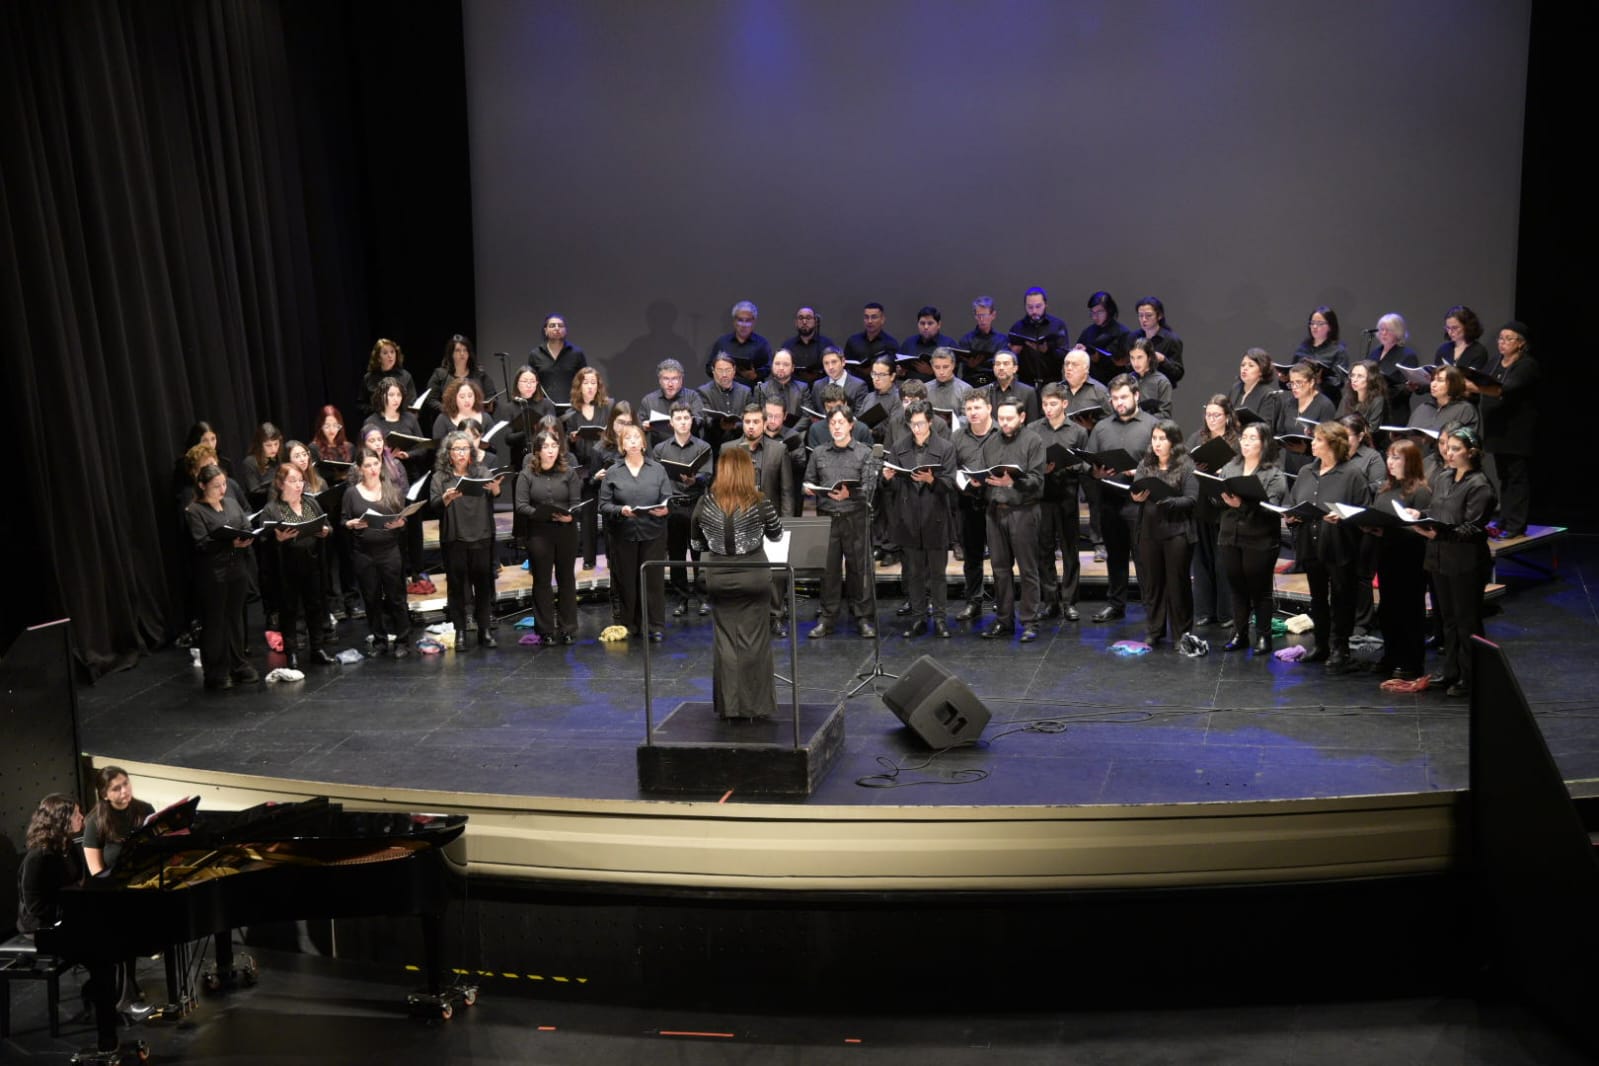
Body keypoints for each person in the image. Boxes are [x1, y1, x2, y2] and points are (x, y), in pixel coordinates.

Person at [690, 447, 785, 719]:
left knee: (726, 641)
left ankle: (730, 708)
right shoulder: (760, 500)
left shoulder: (704, 503)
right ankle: (756, 707)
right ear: (746, 471)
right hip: (754, 576)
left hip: (718, 577)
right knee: (755, 641)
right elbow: (777, 535)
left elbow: (696, 543)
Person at [1412, 426, 1497, 698]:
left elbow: (1473, 527)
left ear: (1471, 452)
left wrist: (1440, 531)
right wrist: (1420, 514)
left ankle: (1472, 676)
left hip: (1465, 561)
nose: (1448, 453)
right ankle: (1450, 670)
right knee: (1446, 620)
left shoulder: (1480, 485)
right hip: (1439, 557)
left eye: (1455, 448)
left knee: (1466, 620)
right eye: (1447, 447)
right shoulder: (1445, 476)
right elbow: (1439, 511)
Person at [1285, 422, 1370, 672]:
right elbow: (1294, 503)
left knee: (1342, 598)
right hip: (1312, 545)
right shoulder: (1305, 472)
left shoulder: (1352, 474)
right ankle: (1321, 645)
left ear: (1333, 444)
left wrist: (1344, 517)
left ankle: (1339, 648)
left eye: (1318, 440)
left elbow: (1363, 513)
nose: (1312, 443)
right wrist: (1292, 516)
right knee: (1318, 598)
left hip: (1340, 546)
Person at [883, 401, 957, 638]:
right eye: (912, 424)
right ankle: (918, 618)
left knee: (937, 574)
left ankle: (940, 619)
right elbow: (893, 487)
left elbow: (950, 483)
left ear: (930, 422)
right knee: (914, 573)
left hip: (935, 517)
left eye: (921, 424)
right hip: (908, 518)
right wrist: (886, 478)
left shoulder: (945, 447)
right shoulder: (898, 447)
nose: (916, 428)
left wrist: (931, 480)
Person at [804, 407, 879, 638]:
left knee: (859, 570)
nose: (836, 426)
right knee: (829, 572)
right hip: (827, 518)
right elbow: (808, 480)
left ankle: (863, 618)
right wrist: (808, 488)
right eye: (832, 423)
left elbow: (870, 488)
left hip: (855, 517)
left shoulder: (864, 452)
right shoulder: (819, 453)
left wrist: (851, 494)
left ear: (850, 425)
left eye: (840, 422)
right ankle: (827, 619)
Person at [1087, 375, 1158, 621]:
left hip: (1140, 500)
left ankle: (1152, 605)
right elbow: (1090, 461)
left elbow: (1162, 464)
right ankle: (1116, 604)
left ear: (1136, 396)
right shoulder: (1102, 427)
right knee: (1115, 556)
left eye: (1124, 397)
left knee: (1144, 558)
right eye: (1115, 398)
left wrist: (1136, 471)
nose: (1119, 402)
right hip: (1110, 499)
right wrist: (1095, 471)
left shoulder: (1152, 425)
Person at [184, 463, 259, 689]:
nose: (222, 489)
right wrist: (229, 542)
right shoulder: (194, 511)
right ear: (202, 486)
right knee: (215, 622)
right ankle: (216, 671)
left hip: (237, 570)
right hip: (213, 574)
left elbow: (245, 524)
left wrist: (246, 537)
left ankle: (239, 665)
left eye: (224, 484)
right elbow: (201, 543)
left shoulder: (232, 503)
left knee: (235, 619)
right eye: (216, 486)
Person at [1216, 423, 1288, 653]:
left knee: (1260, 589)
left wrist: (1244, 504)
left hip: (1260, 538)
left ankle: (1264, 636)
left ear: (1263, 443)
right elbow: (1220, 498)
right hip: (1230, 535)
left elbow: (1273, 507)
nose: (1245, 442)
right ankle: (1240, 634)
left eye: (1252, 438)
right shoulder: (1231, 466)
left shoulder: (1273, 473)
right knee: (1237, 587)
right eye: (1244, 437)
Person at [979, 398, 1047, 641]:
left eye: (1009, 418)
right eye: (1002, 418)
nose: (1005, 423)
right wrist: (976, 482)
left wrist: (1014, 481)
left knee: (1028, 569)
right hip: (995, 510)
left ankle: (1030, 622)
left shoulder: (1033, 441)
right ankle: (1004, 620)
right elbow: (984, 471)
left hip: (1023, 511)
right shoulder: (991, 442)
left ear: (1022, 417)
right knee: (999, 569)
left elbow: (1038, 481)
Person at [430, 430, 503, 649]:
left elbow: (493, 494)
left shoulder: (481, 471)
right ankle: (460, 631)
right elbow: (433, 505)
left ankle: (485, 630)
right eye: (456, 449)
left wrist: (497, 489)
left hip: (480, 534)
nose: (461, 453)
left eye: (465, 448)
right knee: (457, 587)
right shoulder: (440, 477)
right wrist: (446, 497)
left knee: (483, 585)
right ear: (448, 453)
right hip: (455, 537)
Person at [1129, 420, 1199, 646]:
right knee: (1153, 583)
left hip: (1177, 531)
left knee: (1178, 584)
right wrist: (1136, 497)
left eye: (1162, 439)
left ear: (1173, 441)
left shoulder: (1186, 465)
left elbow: (1191, 498)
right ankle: (1155, 629)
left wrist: (1170, 501)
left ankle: (1181, 633)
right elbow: (1137, 489)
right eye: (1155, 438)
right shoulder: (1146, 463)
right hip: (1149, 531)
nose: (1157, 444)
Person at [1367, 438, 1432, 680]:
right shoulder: (1385, 489)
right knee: (1388, 610)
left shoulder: (1420, 491)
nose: (1390, 462)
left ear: (1411, 462)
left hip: (1411, 558)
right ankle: (1391, 655)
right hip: (1387, 554)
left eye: (1397, 458)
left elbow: (1421, 529)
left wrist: (1390, 529)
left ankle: (1411, 661)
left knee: (1409, 611)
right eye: (1389, 457)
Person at [599, 423, 672, 640]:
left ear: (643, 442)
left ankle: (655, 626)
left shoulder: (657, 469)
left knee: (653, 582)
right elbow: (603, 506)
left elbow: (667, 498)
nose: (632, 441)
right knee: (627, 582)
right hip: (624, 534)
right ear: (621, 445)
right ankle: (628, 625)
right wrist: (620, 510)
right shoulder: (613, 472)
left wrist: (665, 509)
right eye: (627, 438)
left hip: (653, 533)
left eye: (636, 437)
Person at [262, 462, 336, 668]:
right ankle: (291, 652)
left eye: (300, 480)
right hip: (286, 568)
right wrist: (278, 540)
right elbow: (263, 541)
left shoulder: (310, 504)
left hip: (312, 564)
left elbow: (328, 525)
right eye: (292, 481)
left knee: (315, 606)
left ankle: (317, 648)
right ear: (280, 484)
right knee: (289, 610)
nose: (298, 485)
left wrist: (325, 531)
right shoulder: (272, 509)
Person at [342, 447, 413, 657]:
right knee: (371, 598)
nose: (372, 469)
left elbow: (403, 518)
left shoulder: (391, 489)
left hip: (389, 550)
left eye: (375, 464)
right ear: (360, 468)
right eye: (367, 465)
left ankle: (403, 640)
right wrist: (351, 524)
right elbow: (343, 520)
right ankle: (379, 640)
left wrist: (400, 523)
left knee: (396, 597)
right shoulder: (352, 493)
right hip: (364, 553)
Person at [513, 430, 582, 644]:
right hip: (539, 532)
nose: (550, 450)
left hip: (565, 532)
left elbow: (576, 502)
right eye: (546, 447)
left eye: (554, 446)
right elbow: (521, 505)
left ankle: (567, 628)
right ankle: (545, 630)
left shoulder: (569, 473)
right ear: (537, 451)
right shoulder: (527, 475)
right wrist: (539, 514)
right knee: (542, 581)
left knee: (566, 579)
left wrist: (570, 517)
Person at [1031, 382, 1087, 622]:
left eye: (1053, 404)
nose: (1048, 408)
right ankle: (1050, 600)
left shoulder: (1077, 431)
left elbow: (1086, 463)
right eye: (1045, 404)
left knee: (1069, 549)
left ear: (1064, 404)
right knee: (1043, 550)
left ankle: (1069, 601)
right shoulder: (1033, 429)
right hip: (1042, 496)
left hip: (1066, 495)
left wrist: (1071, 463)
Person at [1476, 321, 1538, 538]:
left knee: (1517, 478)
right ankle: (1504, 518)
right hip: (1497, 429)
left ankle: (1516, 524)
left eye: (1508, 339)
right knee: (1504, 477)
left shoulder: (1527, 365)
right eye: (1500, 338)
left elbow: (1509, 388)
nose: (1502, 343)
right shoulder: (1494, 362)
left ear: (1521, 343)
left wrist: (1476, 386)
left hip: (1516, 431)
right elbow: (1481, 380)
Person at [654, 403, 713, 617]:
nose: (683, 422)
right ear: (671, 423)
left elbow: (707, 474)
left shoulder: (703, 447)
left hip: (697, 504)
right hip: (673, 507)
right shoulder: (660, 449)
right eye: (678, 418)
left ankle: (703, 598)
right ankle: (681, 599)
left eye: (686, 418)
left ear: (692, 421)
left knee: (699, 554)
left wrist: (694, 479)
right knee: (677, 555)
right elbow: (657, 479)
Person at [1188, 396, 1241, 628]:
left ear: (1227, 416)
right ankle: (1203, 611)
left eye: (1216, 415)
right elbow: (1186, 462)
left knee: (1222, 562)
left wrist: (1224, 469)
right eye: (1208, 415)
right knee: (1201, 560)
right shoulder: (1197, 438)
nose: (1211, 419)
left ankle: (1226, 613)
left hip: (1225, 506)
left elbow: (1243, 467)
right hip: (1202, 504)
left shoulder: (1236, 441)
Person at [953, 390, 997, 622]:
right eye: (968, 409)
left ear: (989, 408)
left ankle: (1003, 600)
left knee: (1002, 557)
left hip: (998, 502)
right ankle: (974, 601)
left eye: (977, 407)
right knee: (972, 557)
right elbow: (952, 468)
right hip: (968, 502)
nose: (972, 413)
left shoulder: (1002, 433)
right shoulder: (958, 437)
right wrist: (965, 481)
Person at [564, 367, 612, 570]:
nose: (590, 386)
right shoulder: (571, 413)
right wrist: (572, 438)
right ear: (579, 386)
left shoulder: (608, 407)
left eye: (594, 382)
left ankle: (612, 557)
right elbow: (565, 444)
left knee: (611, 515)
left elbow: (617, 433)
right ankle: (589, 559)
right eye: (586, 382)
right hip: (584, 470)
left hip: (606, 465)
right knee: (587, 516)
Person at [17, 793, 85, 936]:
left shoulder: (68, 845)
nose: (81, 817)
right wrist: (71, 911)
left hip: (66, 914)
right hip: (41, 926)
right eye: (75, 814)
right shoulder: (38, 857)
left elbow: (76, 881)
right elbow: (35, 906)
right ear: (61, 820)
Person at [83, 766, 156, 876]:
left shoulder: (146, 809)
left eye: (126, 783)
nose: (125, 790)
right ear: (104, 795)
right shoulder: (94, 822)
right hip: (116, 884)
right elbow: (96, 871)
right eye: (116, 789)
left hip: (148, 874)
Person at [1274, 362, 1337, 475]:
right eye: (1292, 383)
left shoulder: (1325, 405)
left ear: (1311, 382)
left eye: (1299, 383)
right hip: (1291, 467)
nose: (1294, 387)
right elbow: (1281, 432)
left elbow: (1329, 442)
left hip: (1315, 469)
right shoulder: (1289, 404)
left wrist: (1306, 449)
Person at [1007, 287, 1070, 387]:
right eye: (1030, 307)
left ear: (1045, 305)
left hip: (1052, 382)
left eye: (1038, 306)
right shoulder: (1017, 327)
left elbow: (1065, 356)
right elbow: (1009, 361)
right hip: (1025, 383)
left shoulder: (1057, 325)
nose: (1034, 311)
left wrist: (1047, 350)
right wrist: (1013, 353)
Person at [503, 365, 557, 472]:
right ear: (517, 383)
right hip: (519, 458)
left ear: (537, 383)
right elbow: (508, 438)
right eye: (525, 381)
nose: (529, 385)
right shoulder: (510, 407)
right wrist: (527, 430)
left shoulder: (546, 404)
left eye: (532, 381)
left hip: (544, 456)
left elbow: (554, 432)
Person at [696, 351, 754, 451]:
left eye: (728, 370)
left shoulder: (745, 391)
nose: (724, 375)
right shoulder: (703, 392)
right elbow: (705, 420)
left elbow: (752, 420)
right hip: (714, 447)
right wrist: (719, 424)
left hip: (740, 447)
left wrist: (735, 426)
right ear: (713, 371)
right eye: (720, 370)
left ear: (734, 370)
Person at [1292, 306, 1349, 405]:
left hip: (1326, 401)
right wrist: (1284, 378)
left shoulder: (1338, 351)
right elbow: (1293, 374)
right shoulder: (1303, 348)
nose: (1314, 326)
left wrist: (1321, 380)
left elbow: (1339, 381)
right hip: (1301, 400)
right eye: (1312, 323)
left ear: (1330, 326)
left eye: (1320, 323)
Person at [529, 313, 588, 406]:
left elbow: (584, 381)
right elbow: (531, 383)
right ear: (545, 330)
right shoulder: (535, 354)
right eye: (552, 326)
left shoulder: (577, 353)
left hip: (572, 408)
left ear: (566, 330)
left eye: (560, 325)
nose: (557, 328)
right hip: (543, 409)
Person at [704, 299, 771, 382]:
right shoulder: (722, 342)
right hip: (725, 391)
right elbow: (709, 368)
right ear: (734, 321)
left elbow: (769, 368)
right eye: (740, 320)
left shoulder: (762, 344)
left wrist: (756, 374)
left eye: (748, 321)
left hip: (753, 391)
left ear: (753, 322)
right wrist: (721, 372)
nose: (744, 325)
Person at [639, 358, 705, 441]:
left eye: (674, 379)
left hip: (690, 450)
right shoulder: (648, 401)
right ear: (660, 380)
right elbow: (638, 429)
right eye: (666, 379)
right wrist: (643, 427)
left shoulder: (692, 397)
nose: (670, 384)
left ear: (681, 380)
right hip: (660, 451)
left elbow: (700, 423)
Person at [1076, 291, 1132, 382]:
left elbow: (1125, 362)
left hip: (1115, 382)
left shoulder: (1123, 333)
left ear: (1109, 310)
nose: (1095, 317)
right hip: (1091, 381)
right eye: (1092, 313)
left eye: (1099, 312)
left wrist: (1100, 359)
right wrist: (1079, 351)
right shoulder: (1088, 331)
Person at [1128, 297, 1184, 387]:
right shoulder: (1134, 337)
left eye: (1148, 315)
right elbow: (1128, 368)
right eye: (1140, 315)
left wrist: (1163, 360)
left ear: (1159, 316)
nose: (1144, 319)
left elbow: (1177, 374)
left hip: (1160, 389)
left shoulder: (1171, 340)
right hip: (1137, 387)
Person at [357, 338, 418, 421]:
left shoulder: (405, 376)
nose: (390, 356)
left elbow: (412, 402)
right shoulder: (369, 378)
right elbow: (361, 405)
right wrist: (377, 410)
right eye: (385, 353)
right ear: (378, 358)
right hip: (377, 421)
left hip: (401, 420)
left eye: (392, 352)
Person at [1408, 365, 1479, 436]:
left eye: (1440, 380)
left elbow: (1467, 440)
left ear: (1453, 384)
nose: (1433, 384)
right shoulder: (1423, 408)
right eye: (1432, 380)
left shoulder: (1465, 410)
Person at [1369, 313, 1419, 413]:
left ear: (1398, 331)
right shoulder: (1375, 352)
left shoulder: (1408, 355)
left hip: (1394, 410)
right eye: (1381, 329)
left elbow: (1405, 389)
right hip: (1372, 407)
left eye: (1388, 330)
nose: (1383, 333)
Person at [956, 296, 1010, 386]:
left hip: (995, 382)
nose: (982, 319)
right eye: (979, 315)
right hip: (971, 383)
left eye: (985, 315)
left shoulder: (1002, 340)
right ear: (975, 316)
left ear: (993, 315)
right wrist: (970, 364)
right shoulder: (966, 339)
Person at [896, 305, 956, 381]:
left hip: (940, 389)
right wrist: (899, 372)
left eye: (930, 323)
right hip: (911, 389)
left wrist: (931, 372)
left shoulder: (948, 344)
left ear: (939, 325)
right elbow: (899, 368)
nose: (926, 327)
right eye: (922, 323)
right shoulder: (908, 343)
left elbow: (954, 376)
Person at [776, 306, 835, 379]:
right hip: (794, 388)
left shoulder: (827, 345)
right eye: (801, 318)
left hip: (821, 388)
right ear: (796, 323)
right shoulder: (787, 346)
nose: (804, 322)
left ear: (815, 321)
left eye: (808, 318)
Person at [1337, 360, 1389, 442]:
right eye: (1353, 375)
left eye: (1360, 376)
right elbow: (1337, 422)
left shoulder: (1378, 401)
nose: (1354, 380)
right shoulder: (1347, 397)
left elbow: (1372, 431)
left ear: (1371, 379)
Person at [806, 346, 868, 413]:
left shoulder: (859, 386)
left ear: (843, 362)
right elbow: (815, 412)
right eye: (826, 363)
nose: (830, 367)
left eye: (834, 362)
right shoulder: (817, 385)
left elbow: (860, 416)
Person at [1227, 348, 1280, 425]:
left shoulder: (1269, 395)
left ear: (1262, 370)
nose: (1245, 368)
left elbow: (1266, 427)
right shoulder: (1235, 389)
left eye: (1251, 365)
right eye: (1243, 365)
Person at [988, 349, 1041, 424]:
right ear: (993, 368)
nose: (1001, 368)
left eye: (1006, 364)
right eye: (997, 364)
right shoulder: (984, 391)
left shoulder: (1028, 392)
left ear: (1015, 368)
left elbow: (1032, 423)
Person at [1127, 339, 1172, 419]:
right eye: (1132, 358)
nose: (1135, 363)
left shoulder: (1161, 382)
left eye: (1140, 357)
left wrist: (1142, 420)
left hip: (1151, 428)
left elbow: (1165, 414)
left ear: (1149, 357)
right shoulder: (1127, 380)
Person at [843, 302, 897, 369]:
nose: (869, 321)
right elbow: (845, 365)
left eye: (874, 317)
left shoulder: (891, 343)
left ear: (882, 319)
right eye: (866, 317)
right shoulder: (853, 341)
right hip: (856, 378)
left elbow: (894, 369)